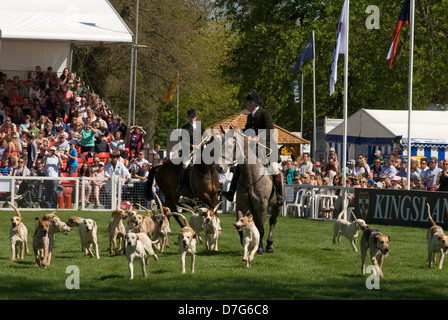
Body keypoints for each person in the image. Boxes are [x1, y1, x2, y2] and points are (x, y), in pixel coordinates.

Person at [221, 92, 284, 205]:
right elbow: (247, 129)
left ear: (252, 103)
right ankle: (231, 192)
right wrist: (238, 131)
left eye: (247, 102)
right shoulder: (250, 116)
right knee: (241, 164)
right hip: (254, 148)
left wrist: (258, 137)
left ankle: (279, 195)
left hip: (267, 147)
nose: (245, 104)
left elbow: (270, 129)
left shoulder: (265, 113)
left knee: (274, 168)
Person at [176, 108, 206, 195]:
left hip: (200, 151)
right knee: (185, 165)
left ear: (196, 117)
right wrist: (193, 146)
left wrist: (204, 143)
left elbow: (205, 136)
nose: (192, 118)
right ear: (188, 117)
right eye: (190, 117)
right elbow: (183, 142)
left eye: (193, 117)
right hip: (188, 152)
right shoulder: (185, 128)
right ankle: (180, 185)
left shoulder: (201, 126)